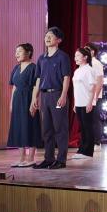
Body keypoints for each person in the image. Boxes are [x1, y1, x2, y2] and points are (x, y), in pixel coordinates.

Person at [32, 27, 72, 170]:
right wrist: (35, 97)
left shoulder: (63, 57)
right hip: (44, 96)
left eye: (51, 36)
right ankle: (48, 159)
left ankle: (61, 160)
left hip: (57, 94)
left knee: (60, 128)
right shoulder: (41, 58)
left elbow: (66, 77)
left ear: (58, 40)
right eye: (46, 35)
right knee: (46, 129)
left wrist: (63, 95)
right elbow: (38, 79)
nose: (47, 38)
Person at [8, 43, 41, 167]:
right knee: (18, 127)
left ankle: (31, 158)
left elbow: (36, 85)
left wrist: (34, 101)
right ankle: (21, 158)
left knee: (31, 126)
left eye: (20, 51)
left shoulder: (34, 67)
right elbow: (14, 87)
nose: (16, 54)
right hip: (17, 100)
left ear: (28, 53)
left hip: (28, 99)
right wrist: (11, 102)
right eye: (16, 52)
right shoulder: (16, 68)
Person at [70, 47, 98, 161]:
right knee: (82, 128)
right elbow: (76, 89)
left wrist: (90, 102)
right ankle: (82, 150)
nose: (75, 58)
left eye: (78, 56)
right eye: (75, 56)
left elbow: (93, 87)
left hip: (87, 102)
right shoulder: (77, 71)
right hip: (79, 103)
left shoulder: (89, 70)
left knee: (88, 127)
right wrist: (75, 104)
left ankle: (88, 151)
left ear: (85, 57)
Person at [86, 43, 105, 153]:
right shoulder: (86, 64)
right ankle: (89, 142)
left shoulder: (96, 63)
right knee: (87, 120)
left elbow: (100, 81)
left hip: (94, 96)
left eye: (87, 49)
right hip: (86, 96)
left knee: (95, 119)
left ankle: (97, 143)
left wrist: (95, 97)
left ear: (93, 52)